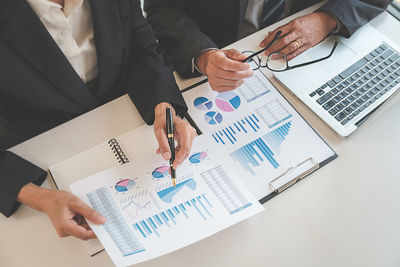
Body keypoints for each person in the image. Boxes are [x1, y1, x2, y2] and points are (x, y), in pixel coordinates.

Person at [0, 0, 196, 240]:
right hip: (36, 160)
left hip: (123, 124)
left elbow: (138, 43)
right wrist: (38, 197)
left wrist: (163, 104)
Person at [144, 0, 392, 92]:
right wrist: (203, 56)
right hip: (219, 60)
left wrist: (327, 19)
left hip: (310, 55)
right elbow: (163, 7)